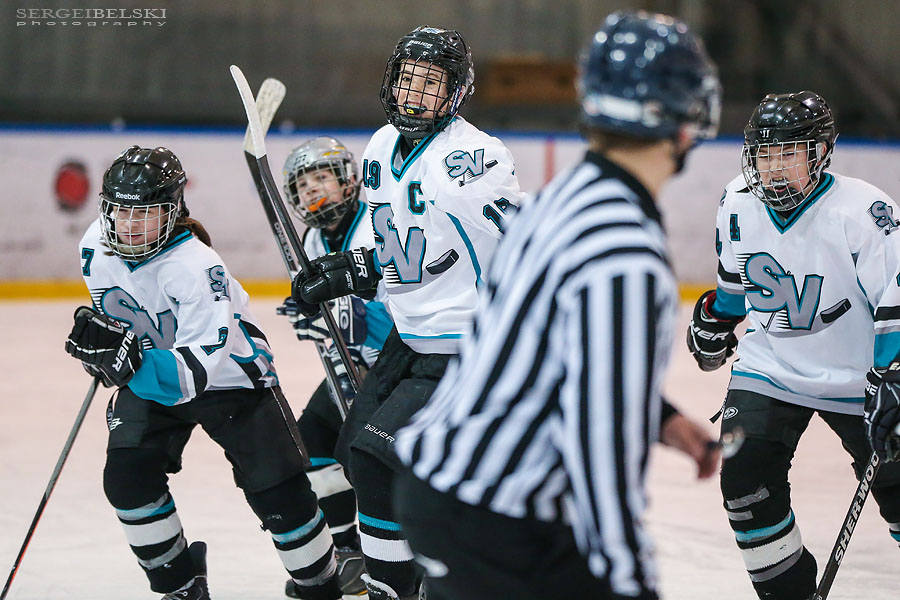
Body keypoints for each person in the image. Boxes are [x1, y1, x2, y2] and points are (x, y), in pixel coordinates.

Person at [391, 10, 722, 600]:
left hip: (443, 490)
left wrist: (659, 416)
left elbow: (541, 345)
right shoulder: (626, 252)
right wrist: (629, 580)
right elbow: (602, 447)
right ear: (687, 122)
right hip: (497, 513)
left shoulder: (557, 201)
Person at [290, 26, 527, 600]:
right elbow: (392, 253)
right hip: (411, 338)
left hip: (466, 344)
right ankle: (426, 571)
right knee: (351, 451)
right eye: (407, 81)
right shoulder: (377, 149)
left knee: (375, 459)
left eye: (431, 84)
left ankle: (399, 587)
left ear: (455, 93)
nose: (414, 95)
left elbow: (526, 243)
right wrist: (347, 272)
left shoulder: (472, 157)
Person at [64, 146, 345, 600]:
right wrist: (101, 349)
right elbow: (118, 328)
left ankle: (320, 586)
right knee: (127, 478)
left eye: (145, 214)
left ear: (173, 212)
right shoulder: (95, 245)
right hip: (155, 374)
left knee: (281, 497)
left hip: (231, 380)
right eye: (120, 211)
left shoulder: (198, 268)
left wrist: (128, 359)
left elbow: (194, 374)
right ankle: (181, 586)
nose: (129, 225)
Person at [685, 90, 900, 600]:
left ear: (820, 153)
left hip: (861, 380)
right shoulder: (736, 200)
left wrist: (894, 375)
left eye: (789, 153)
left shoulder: (864, 210)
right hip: (771, 368)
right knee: (745, 487)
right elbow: (736, 290)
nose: (775, 168)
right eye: (765, 153)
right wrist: (716, 318)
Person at [276, 136, 393, 598]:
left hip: (393, 371)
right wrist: (306, 307)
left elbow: (400, 309)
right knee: (312, 449)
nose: (312, 192)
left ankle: (403, 551)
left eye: (322, 177)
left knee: (367, 460)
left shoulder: (376, 227)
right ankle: (349, 552)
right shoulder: (310, 238)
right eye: (303, 186)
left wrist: (347, 318)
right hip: (347, 370)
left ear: (348, 181)